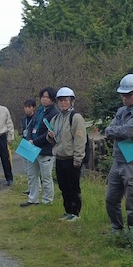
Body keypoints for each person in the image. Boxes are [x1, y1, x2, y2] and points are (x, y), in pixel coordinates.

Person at [96, 73, 133, 232]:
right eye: (122, 95)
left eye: (127, 95)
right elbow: (109, 130)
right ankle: (117, 228)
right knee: (111, 199)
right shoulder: (121, 111)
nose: (124, 99)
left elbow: (128, 131)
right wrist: (120, 131)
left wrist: (120, 131)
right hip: (118, 160)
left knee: (131, 201)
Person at [49, 86, 86, 221]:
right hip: (60, 158)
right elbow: (53, 139)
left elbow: (80, 140)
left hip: (71, 158)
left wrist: (78, 159)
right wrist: (50, 136)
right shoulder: (56, 118)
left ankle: (75, 213)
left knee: (73, 187)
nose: (63, 103)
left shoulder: (76, 118)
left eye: (66, 100)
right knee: (63, 186)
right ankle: (67, 210)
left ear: (71, 101)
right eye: (60, 100)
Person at [22, 87, 58, 207]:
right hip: (32, 148)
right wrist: (29, 140)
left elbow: (49, 132)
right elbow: (31, 125)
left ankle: (47, 200)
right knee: (32, 175)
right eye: (43, 97)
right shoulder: (39, 110)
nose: (44, 99)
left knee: (46, 177)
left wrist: (35, 141)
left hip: (45, 149)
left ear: (52, 99)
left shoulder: (54, 113)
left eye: (47, 97)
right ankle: (33, 199)